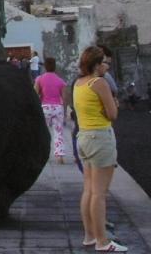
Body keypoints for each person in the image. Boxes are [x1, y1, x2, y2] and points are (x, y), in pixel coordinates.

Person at [73, 46, 126, 252]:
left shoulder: (79, 83)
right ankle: (103, 241)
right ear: (96, 65)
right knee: (99, 193)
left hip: (84, 137)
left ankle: (89, 236)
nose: (107, 66)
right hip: (100, 138)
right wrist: (115, 103)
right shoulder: (99, 83)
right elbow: (112, 115)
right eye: (105, 62)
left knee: (88, 190)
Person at [34, 57, 67, 164]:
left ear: (45, 66)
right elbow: (64, 98)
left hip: (45, 107)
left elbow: (35, 94)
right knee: (58, 132)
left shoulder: (39, 79)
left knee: (42, 132)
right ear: (55, 66)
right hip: (57, 107)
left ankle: (40, 154)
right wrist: (65, 111)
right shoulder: (60, 80)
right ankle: (59, 155)